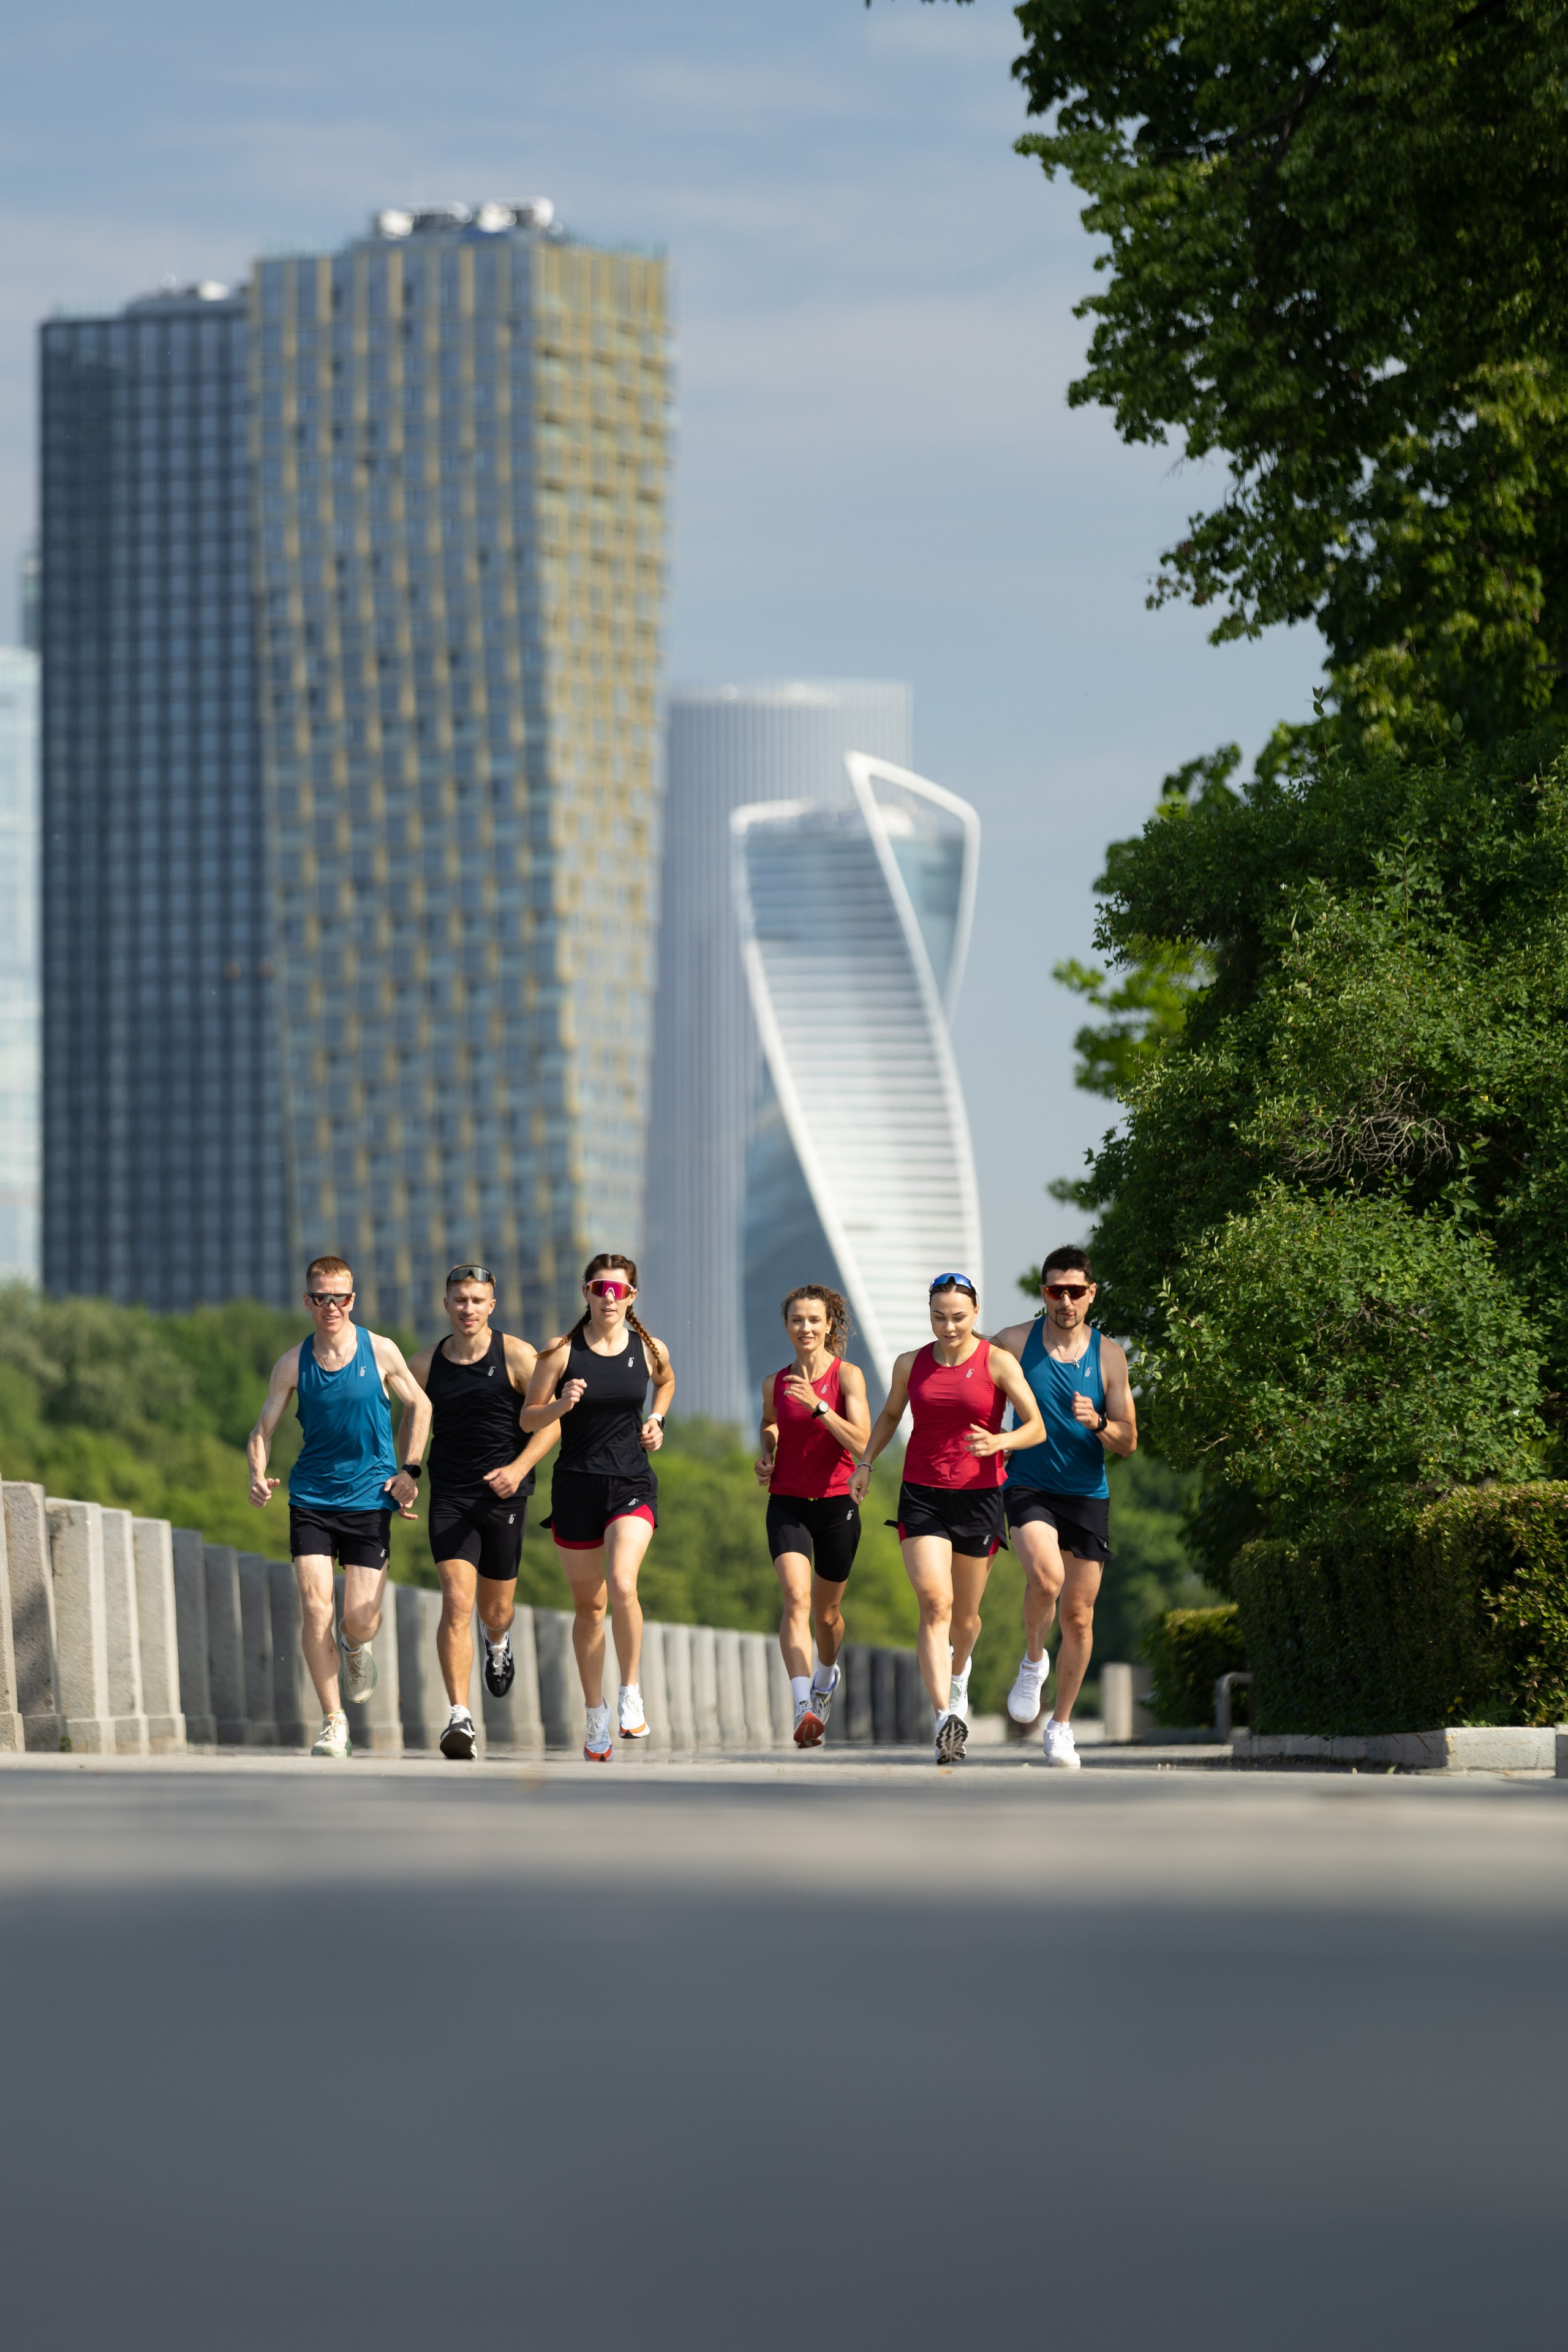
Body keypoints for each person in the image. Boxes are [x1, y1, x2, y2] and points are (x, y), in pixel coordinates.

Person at [849, 1275, 1045, 1763]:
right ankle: (944, 1718)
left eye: (958, 1316)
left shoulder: (997, 1362)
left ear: (975, 1313)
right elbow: (892, 1416)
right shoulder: (910, 1364)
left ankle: (959, 1681)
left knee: (965, 1618)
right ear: (930, 1314)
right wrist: (866, 1462)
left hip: (979, 1498)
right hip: (922, 1495)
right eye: (939, 1316)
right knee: (935, 1603)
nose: (949, 1326)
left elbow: (1036, 1427)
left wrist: (1000, 1442)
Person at [248, 1256, 431, 1759]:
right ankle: (334, 1722)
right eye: (322, 1297)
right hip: (310, 1498)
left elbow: (422, 1406)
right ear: (307, 1301)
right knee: (314, 1608)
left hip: (371, 1499)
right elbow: (262, 1430)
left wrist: (410, 1471)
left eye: (341, 1298)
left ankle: (354, 1645)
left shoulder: (381, 1350)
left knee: (360, 1618)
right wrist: (257, 1474)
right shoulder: (292, 1363)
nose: (332, 1306)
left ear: (353, 1300)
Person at [399, 1263, 560, 1762]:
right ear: (445, 1305)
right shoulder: (424, 1365)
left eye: (477, 1300)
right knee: (456, 1600)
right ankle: (459, 1716)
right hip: (450, 1496)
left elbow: (551, 1425)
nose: (468, 1308)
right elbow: (412, 1422)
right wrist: (407, 1472)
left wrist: (517, 1469)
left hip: (505, 1497)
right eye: (459, 1300)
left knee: (495, 1611)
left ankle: (498, 1642)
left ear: (493, 1305)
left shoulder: (515, 1355)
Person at [521, 1253, 675, 1761]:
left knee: (624, 1582)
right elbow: (528, 1419)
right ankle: (595, 1715)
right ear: (586, 1292)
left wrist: (656, 1420)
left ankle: (631, 1692)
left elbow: (667, 1382)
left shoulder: (649, 1349)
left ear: (632, 1296)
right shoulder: (559, 1353)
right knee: (589, 1607)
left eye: (619, 1290)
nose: (609, 1298)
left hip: (631, 1482)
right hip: (576, 1487)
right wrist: (561, 1405)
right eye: (599, 1288)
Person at [989, 1245, 1137, 1770]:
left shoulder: (1110, 1356)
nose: (1066, 1300)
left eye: (1076, 1291)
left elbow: (1128, 1441)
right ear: (1044, 1293)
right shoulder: (1011, 1344)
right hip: (1027, 1485)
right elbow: (961, 1375)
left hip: (1087, 1495)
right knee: (1046, 1579)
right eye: (1057, 1291)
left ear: (1091, 1294)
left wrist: (1097, 1422)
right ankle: (1034, 1661)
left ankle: (1061, 1727)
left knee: (1078, 1616)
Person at [754, 1284, 872, 1746]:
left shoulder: (848, 1378)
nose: (806, 1328)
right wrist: (768, 1452)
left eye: (814, 1320)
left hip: (837, 1504)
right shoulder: (775, 1383)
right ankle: (805, 1705)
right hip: (787, 1502)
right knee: (796, 1601)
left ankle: (826, 1672)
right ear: (787, 1327)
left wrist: (819, 1408)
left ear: (829, 1326)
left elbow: (863, 1442)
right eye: (797, 1320)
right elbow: (770, 1423)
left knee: (827, 1615)